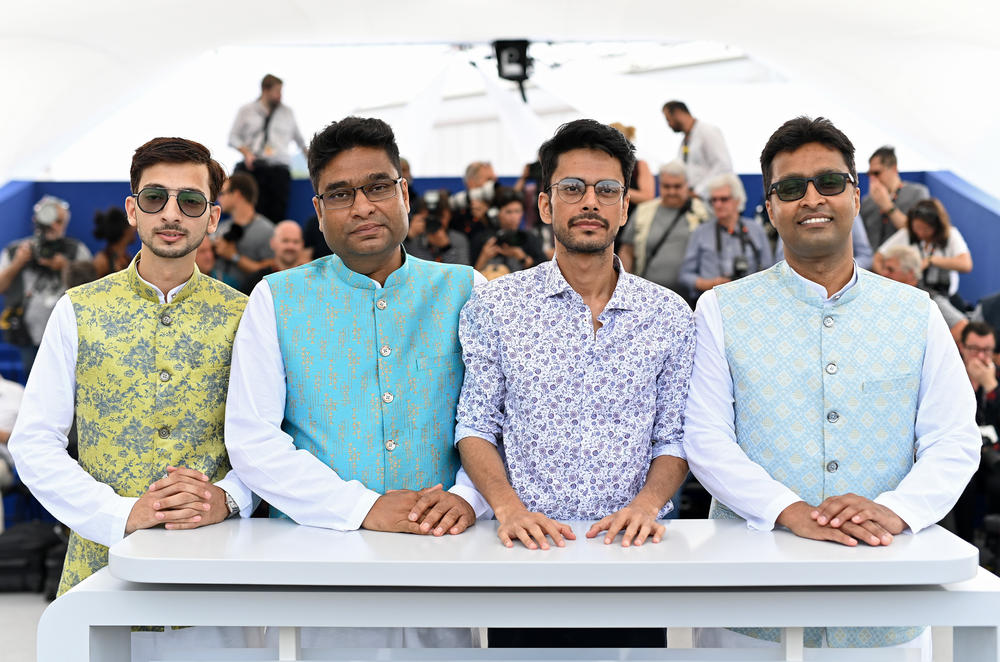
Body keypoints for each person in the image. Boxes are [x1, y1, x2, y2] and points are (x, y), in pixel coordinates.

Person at [683, 116, 980, 656]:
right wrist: (789, 510)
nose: (811, 198)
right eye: (790, 188)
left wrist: (898, 509)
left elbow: (954, 437)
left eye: (829, 182)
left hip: (886, 600)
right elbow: (704, 438)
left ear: (856, 193)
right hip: (751, 606)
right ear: (770, 207)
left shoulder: (915, 311)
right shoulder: (721, 309)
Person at [224, 116, 487, 649]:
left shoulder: (466, 290)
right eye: (340, 194)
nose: (363, 206)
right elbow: (252, 439)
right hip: (318, 566)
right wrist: (360, 508)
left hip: (444, 558)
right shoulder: (276, 298)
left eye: (378, 187)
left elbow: (502, 421)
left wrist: (469, 497)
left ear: (404, 193)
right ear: (318, 210)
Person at [8, 137, 255, 656]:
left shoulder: (246, 315)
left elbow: (270, 440)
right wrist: (119, 513)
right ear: (132, 210)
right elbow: (34, 442)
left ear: (212, 218)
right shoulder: (78, 309)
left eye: (190, 201)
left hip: (219, 576)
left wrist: (228, 497)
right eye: (154, 198)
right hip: (99, 572)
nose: (171, 213)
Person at [456, 119, 694, 648]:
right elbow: (474, 426)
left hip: (630, 554)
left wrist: (647, 505)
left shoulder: (670, 315)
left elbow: (674, 437)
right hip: (527, 554)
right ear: (545, 205)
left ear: (625, 206)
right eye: (573, 189)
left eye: (607, 189)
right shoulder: (497, 306)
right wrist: (508, 508)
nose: (591, 201)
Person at [0, 196, 92, 375]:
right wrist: (17, 263)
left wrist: (65, 267)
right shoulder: (15, 251)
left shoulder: (76, 250)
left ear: (65, 223)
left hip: (66, 334)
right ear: (37, 220)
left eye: (59, 221)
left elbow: (90, 291)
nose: (54, 227)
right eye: (49, 220)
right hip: (25, 333)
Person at [619, 161, 710, 301]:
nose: (672, 191)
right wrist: (624, 286)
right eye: (666, 186)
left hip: (693, 300)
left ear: (687, 184)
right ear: (659, 184)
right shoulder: (643, 211)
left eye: (677, 186)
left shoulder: (703, 213)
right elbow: (627, 251)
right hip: (647, 298)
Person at [679, 172, 773, 300]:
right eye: (714, 200)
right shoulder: (700, 232)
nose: (718, 205)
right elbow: (685, 276)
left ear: (737, 200)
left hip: (749, 302)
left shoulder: (755, 230)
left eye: (724, 199)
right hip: (712, 303)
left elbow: (770, 272)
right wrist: (711, 284)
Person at [228, 73, 307, 223]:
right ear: (265, 90)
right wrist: (246, 153)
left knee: (276, 215)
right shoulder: (247, 110)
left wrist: (313, 165)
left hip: (279, 170)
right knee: (250, 213)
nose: (280, 96)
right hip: (254, 168)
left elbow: (300, 141)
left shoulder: (287, 112)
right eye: (277, 91)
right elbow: (233, 137)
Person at [874, 198, 972, 298]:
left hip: (943, 294)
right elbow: (878, 257)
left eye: (926, 229)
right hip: (909, 292)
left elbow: (966, 265)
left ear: (937, 227)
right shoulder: (907, 233)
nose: (920, 233)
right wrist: (885, 277)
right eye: (917, 227)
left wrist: (931, 261)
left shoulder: (951, 235)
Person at [880, 244, 968, 342]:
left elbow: (961, 326)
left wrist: (933, 349)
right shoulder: (881, 294)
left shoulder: (929, 299)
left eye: (890, 269)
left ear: (910, 273)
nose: (883, 273)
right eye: (884, 268)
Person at [213, 172, 276, 293]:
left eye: (222, 193)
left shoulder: (267, 230)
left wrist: (234, 256)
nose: (218, 198)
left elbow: (271, 272)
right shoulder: (220, 227)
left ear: (237, 195)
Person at [860, 146, 930, 249]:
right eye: (869, 174)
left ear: (894, 169)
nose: (872, 179)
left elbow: (920, 232)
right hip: (871, 261)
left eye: (877, 173)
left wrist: (888, 206)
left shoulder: (917, 193)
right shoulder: (867, 201)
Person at [662, 100, 734, 198]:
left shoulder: (707, 131)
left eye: (668, 119)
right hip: (695, 198)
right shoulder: (686, 140)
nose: (668, 124)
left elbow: (723, 165)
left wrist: (698, 191)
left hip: (713, 199)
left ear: (678, 113)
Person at [472, 192, 546, 278]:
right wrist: (484, 256)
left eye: (517, 211)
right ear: (497, 213)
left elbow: (544, 274)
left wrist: (522, 257)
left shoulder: (529, 238)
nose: (514, 216)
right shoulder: (483, 238)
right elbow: (468, 278)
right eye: (509, 212)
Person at [244, 220, 307, 291]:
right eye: (285, 241)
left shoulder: (311, 279)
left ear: (302, 245)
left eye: (296, 242)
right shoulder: (257, 282)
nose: (290, 246)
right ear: (272, 243)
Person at [92, 206, 136, 278]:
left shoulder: (126, 258)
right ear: (125, 230)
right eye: (131, 225)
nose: (135, 229)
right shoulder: (101, 261)